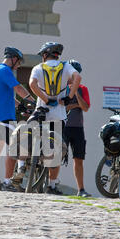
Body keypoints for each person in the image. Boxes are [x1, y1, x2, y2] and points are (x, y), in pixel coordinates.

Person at [29, 42, 81, 195]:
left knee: (29, 135)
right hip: (58, 115)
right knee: (56, 148)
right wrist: (69, 98)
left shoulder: (38, 67)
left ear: (45, 54)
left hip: (41, 112)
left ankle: (22, 167)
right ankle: (52, 185)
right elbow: (77, 77)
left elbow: (32, 84)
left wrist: (45, 99)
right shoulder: (65, 67)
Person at [0, 47, 35, 191]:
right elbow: (18, 88)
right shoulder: (5, 70)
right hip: (4, 117)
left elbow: (6, 95)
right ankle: (9, 182)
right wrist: (34, 102)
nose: (19, 65)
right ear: (13, 59)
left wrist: (20, 105)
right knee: (16, 147)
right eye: (19, 62)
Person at [63, 60, 92, 198]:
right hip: (63, 126)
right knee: (56, 155)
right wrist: (74, 105)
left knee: (78, 159)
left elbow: (85, 107)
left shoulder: (83, 89)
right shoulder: (62, 88)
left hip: (77, 128)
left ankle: (81, 189)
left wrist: (77, 95)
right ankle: (51, 184)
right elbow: (62, 106)